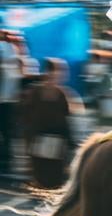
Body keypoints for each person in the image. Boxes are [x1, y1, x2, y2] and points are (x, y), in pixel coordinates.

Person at [19, 58, 84, 189]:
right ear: (48, 72)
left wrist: (71, 141)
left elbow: (67, 119)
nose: (60, 74)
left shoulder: (63, 93)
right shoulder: (35, 93)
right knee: (41, 173)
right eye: (58, 71)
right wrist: (29, 138)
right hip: (38, 138)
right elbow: (26, 116)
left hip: (57, 139)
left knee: (54, 176)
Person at [0, 30, 21, 179]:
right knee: (8, 134)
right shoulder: (12, 50)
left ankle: (6, 163)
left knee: (7, 134)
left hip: (6, 100)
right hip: (9, 100)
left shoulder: (7, 49)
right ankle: (7, 163)